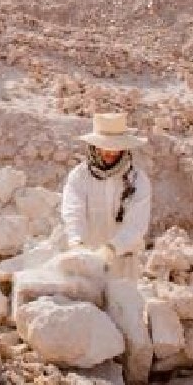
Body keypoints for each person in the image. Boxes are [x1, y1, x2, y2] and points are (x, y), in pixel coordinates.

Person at [60, 112, 152, 281]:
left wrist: (111, 249)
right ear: (94, 147)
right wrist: (76, 243)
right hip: (86, 260)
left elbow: (137, 225)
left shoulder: (138, 180)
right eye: (105, 146)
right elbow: (73, 211)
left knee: (123, 305)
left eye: (116, 147)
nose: (110, 152)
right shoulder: (79, 176)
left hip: (124, 263)